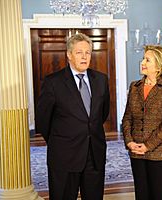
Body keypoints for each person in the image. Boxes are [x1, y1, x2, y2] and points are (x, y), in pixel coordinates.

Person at [35, 33, 110, 200]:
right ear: (69, 55)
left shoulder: (101, 80)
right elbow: (43, 119)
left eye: (88, 52)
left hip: (94, 154)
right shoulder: (53, 82)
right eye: (79, 52)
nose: (84, 56)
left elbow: (101, 114)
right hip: (64, 156)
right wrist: (59, 140)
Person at [122, 45, 162, 200]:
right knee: (142, 195)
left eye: (147, 60)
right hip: (137, 153)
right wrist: (130, 142)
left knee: (160, 195)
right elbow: (127, 118)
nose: (142, 62)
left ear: (159, 66)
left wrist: (148, 146)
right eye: (143, 58)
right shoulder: (134, 87)